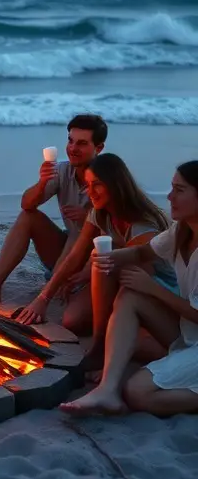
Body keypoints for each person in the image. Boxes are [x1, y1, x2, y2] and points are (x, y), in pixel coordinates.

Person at [61, 161, 198, 417]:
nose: (169, 197)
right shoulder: (181, 231)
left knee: (137, 393)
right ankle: (107, 389)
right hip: (188, 333)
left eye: (179, 190)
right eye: (171, 188)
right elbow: (141, 251)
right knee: (130, 294)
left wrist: (153, 289)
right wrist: (107, 258)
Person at [16, 154, 176, 353]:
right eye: (88, 184)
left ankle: (104, 342)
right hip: (120, 276)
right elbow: (75, 254)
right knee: (72, 320)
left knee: (105, 263)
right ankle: (112, 329)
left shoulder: (143, 226)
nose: (90, 192)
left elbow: (137, 272)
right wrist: (43, 298)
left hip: (158, 289)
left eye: (97, 185)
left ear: (116, 185)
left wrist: (89, 271)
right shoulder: (99, 212)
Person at [0, 114, 108, 311]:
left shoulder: (109, 176)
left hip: (95, 259)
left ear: (99, 148)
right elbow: (26, 204)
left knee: (81, 234)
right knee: (28, 217)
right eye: (70, 141)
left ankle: (52, 289)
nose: (72, 148)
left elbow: (119, 233)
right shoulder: (63, 171)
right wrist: (43, 182)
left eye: (81, 143)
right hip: (66, 249)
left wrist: (91, 219)